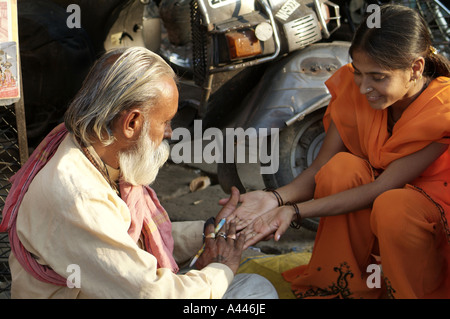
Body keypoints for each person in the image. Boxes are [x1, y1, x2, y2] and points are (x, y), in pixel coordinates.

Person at [1, 47, 278, 299]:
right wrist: (222, 267)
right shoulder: (78, 196)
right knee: (253, 293)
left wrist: (214, 229)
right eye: (166, 122)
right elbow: (152, 293)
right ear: (131, 122)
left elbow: (129, 243)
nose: (169, 133)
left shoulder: (89, 146)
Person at [222, 4, 450, 299]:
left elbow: (383, 188)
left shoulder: (442, 111)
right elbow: (319, 169)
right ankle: (345, 289)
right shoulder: (355, 89)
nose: (364, 87)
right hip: (380, 212)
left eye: (378, 77)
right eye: (359, 73)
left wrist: (292, 211)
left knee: (394, 206)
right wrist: (275, 198)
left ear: (416, 68)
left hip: (425, 227)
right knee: (341, 169)